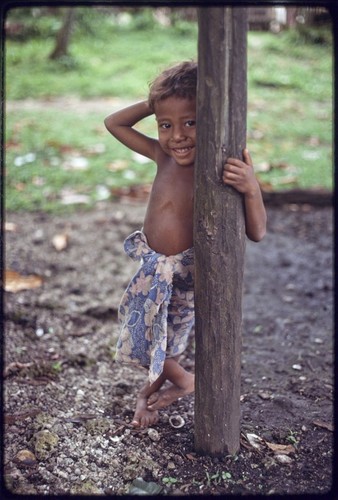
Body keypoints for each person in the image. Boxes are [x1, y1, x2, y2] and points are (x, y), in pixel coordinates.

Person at [104, 60, 267, 428]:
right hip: (151, 270)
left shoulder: (216, 166)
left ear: (210, 120)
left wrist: (250, 187)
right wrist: (157, 102)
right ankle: (147, 400)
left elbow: (257, 232)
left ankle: (186, 382)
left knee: (153, 344)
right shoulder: (163, 156)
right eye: (166, 125)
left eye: (190, 121)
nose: (177, 135)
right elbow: (113, 123)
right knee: (155, 345)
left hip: (186, 276)